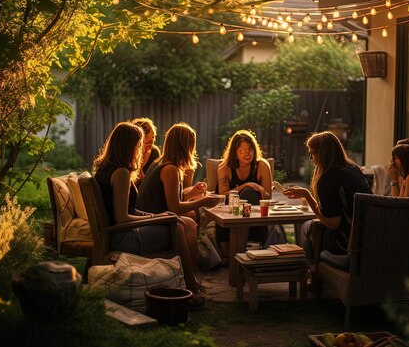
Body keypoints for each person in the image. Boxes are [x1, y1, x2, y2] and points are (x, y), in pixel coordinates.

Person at [92, 122, 205, 306]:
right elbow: (122, 218)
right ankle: (190, 288)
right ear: (128, 146)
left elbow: (129, 210)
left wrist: (161, 216)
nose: (141, 150)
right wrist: (160, 218)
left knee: (175, 221)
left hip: (118, 232)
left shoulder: (106, 168)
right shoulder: (121, 173)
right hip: (122, 236)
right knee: (176, 228)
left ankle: (188, 282)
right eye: (138, 146)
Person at [135, 122, 219, 294]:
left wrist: (193, 192)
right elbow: (174, 206)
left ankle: (191, 277)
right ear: (185, 145)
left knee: (190, 216)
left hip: (155, 214)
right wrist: (203, 202)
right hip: (149, 221)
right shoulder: (170, 168)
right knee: (188, 222)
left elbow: (171, 199)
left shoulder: (162, 162)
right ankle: (191, 280)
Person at [283, 131, 372, 265]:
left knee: (307, 227)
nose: (311, 158)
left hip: (346, 245)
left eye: (312, 153)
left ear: (322, 154)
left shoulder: (329, 178)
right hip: (367, 240)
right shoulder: (353, 169)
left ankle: (314, 274)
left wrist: (307, 196)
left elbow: (332, 223)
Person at [216, 130, 272, 258]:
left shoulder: (262, 165)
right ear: (234, 153)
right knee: (247, 190)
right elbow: (223, 195)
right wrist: (245, 185)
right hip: (229, 209)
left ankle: (252, 243)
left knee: (250, 193)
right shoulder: (225, 167)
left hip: (254, 209)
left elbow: (268, 197)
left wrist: (259, 189)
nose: (247, 153)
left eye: (250, 149)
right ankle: (237, 246)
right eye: (242, 151)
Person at [131, 117, 161, 186]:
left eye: (153, 137)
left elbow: (155, 180)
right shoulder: (129, 152)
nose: (153, 140)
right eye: (146, 142)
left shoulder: (154, 152)